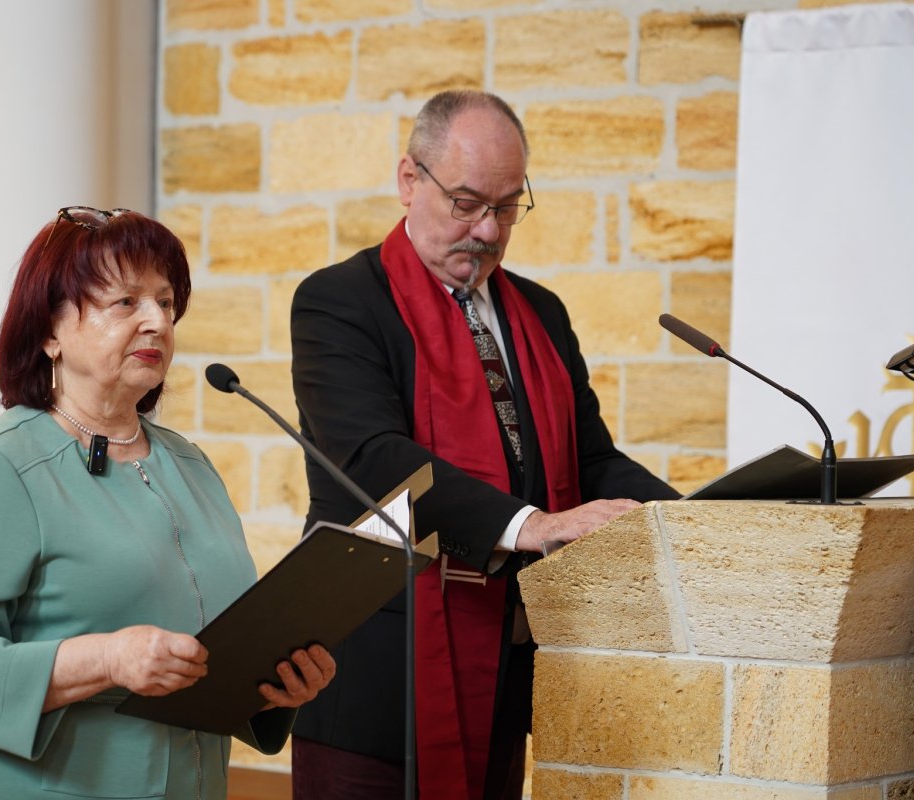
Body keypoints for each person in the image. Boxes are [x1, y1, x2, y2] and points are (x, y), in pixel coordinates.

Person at [289, 90, 680, 799]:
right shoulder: (340, 302)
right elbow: (373, 460)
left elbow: (590, 459)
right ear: (410, 179)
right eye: (467, 204)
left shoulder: (540, 312)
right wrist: (531, 526)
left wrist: (693, 516)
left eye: (506, 206)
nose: (488, 230)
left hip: (503, 667)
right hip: (376, 680)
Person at [0, 207, 335, 800]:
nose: (157, 321)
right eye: (126, 302)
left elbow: (210, 653)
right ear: (50, 332)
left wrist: (274, 683)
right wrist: (106, 659)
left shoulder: (190, 465)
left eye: (165, 301)